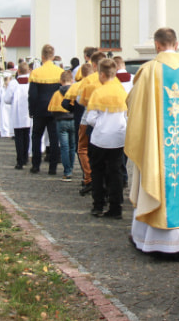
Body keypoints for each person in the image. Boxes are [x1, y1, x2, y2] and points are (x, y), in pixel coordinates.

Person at [125, 27, 179, 257]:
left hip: (157, 147)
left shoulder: (149, 71)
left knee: (157, 175)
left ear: (157, 45)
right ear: (177, 43)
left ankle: (155, 242)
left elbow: (133, 107)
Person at [83, 59, 128, 218]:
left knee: (98, 172)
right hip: (118, 138)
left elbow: (90, 118)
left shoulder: (98, 92)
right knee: (116, 172)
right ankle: (116, 207)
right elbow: (126, 115)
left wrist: (102, 124)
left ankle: (98, 205)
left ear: (102, 74)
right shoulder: (121, 91)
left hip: (100, 138)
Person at [66, 51, 108, 194]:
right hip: (108, 120)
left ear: (94, 64)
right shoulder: (111, 79)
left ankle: (89, 177)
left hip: (88, 117)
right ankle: (103, 181)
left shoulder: (89, 80)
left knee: (83, 149)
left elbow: (79, 99)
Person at [28, 44, 62, 176]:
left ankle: (36, 165)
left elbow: (32, 95)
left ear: (42, 57)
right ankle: (52, 167)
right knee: (54, 139)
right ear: (53, 57)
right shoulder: (59, 72)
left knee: (36, 137)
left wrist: (31, 110)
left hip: (40, 109)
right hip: (54, 109)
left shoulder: (36, 73)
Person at [48, 69, 76, 181]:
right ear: (72, 80)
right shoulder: (75, 92)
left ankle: (67, 171)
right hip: (73, 120)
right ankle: (71, 167)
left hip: (61, 121)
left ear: (61, 81)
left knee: (64, 147)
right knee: (72, 146)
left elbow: (51, 109)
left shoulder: (56, 93)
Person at [4, 61, 32, 170]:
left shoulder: (14, 83)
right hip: (29, 113)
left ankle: (20, 160)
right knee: (27, 136)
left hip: (17, 113)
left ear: (18, 71)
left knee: (19, 137)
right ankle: (25, 157)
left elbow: (7, 99)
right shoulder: (31, 82)